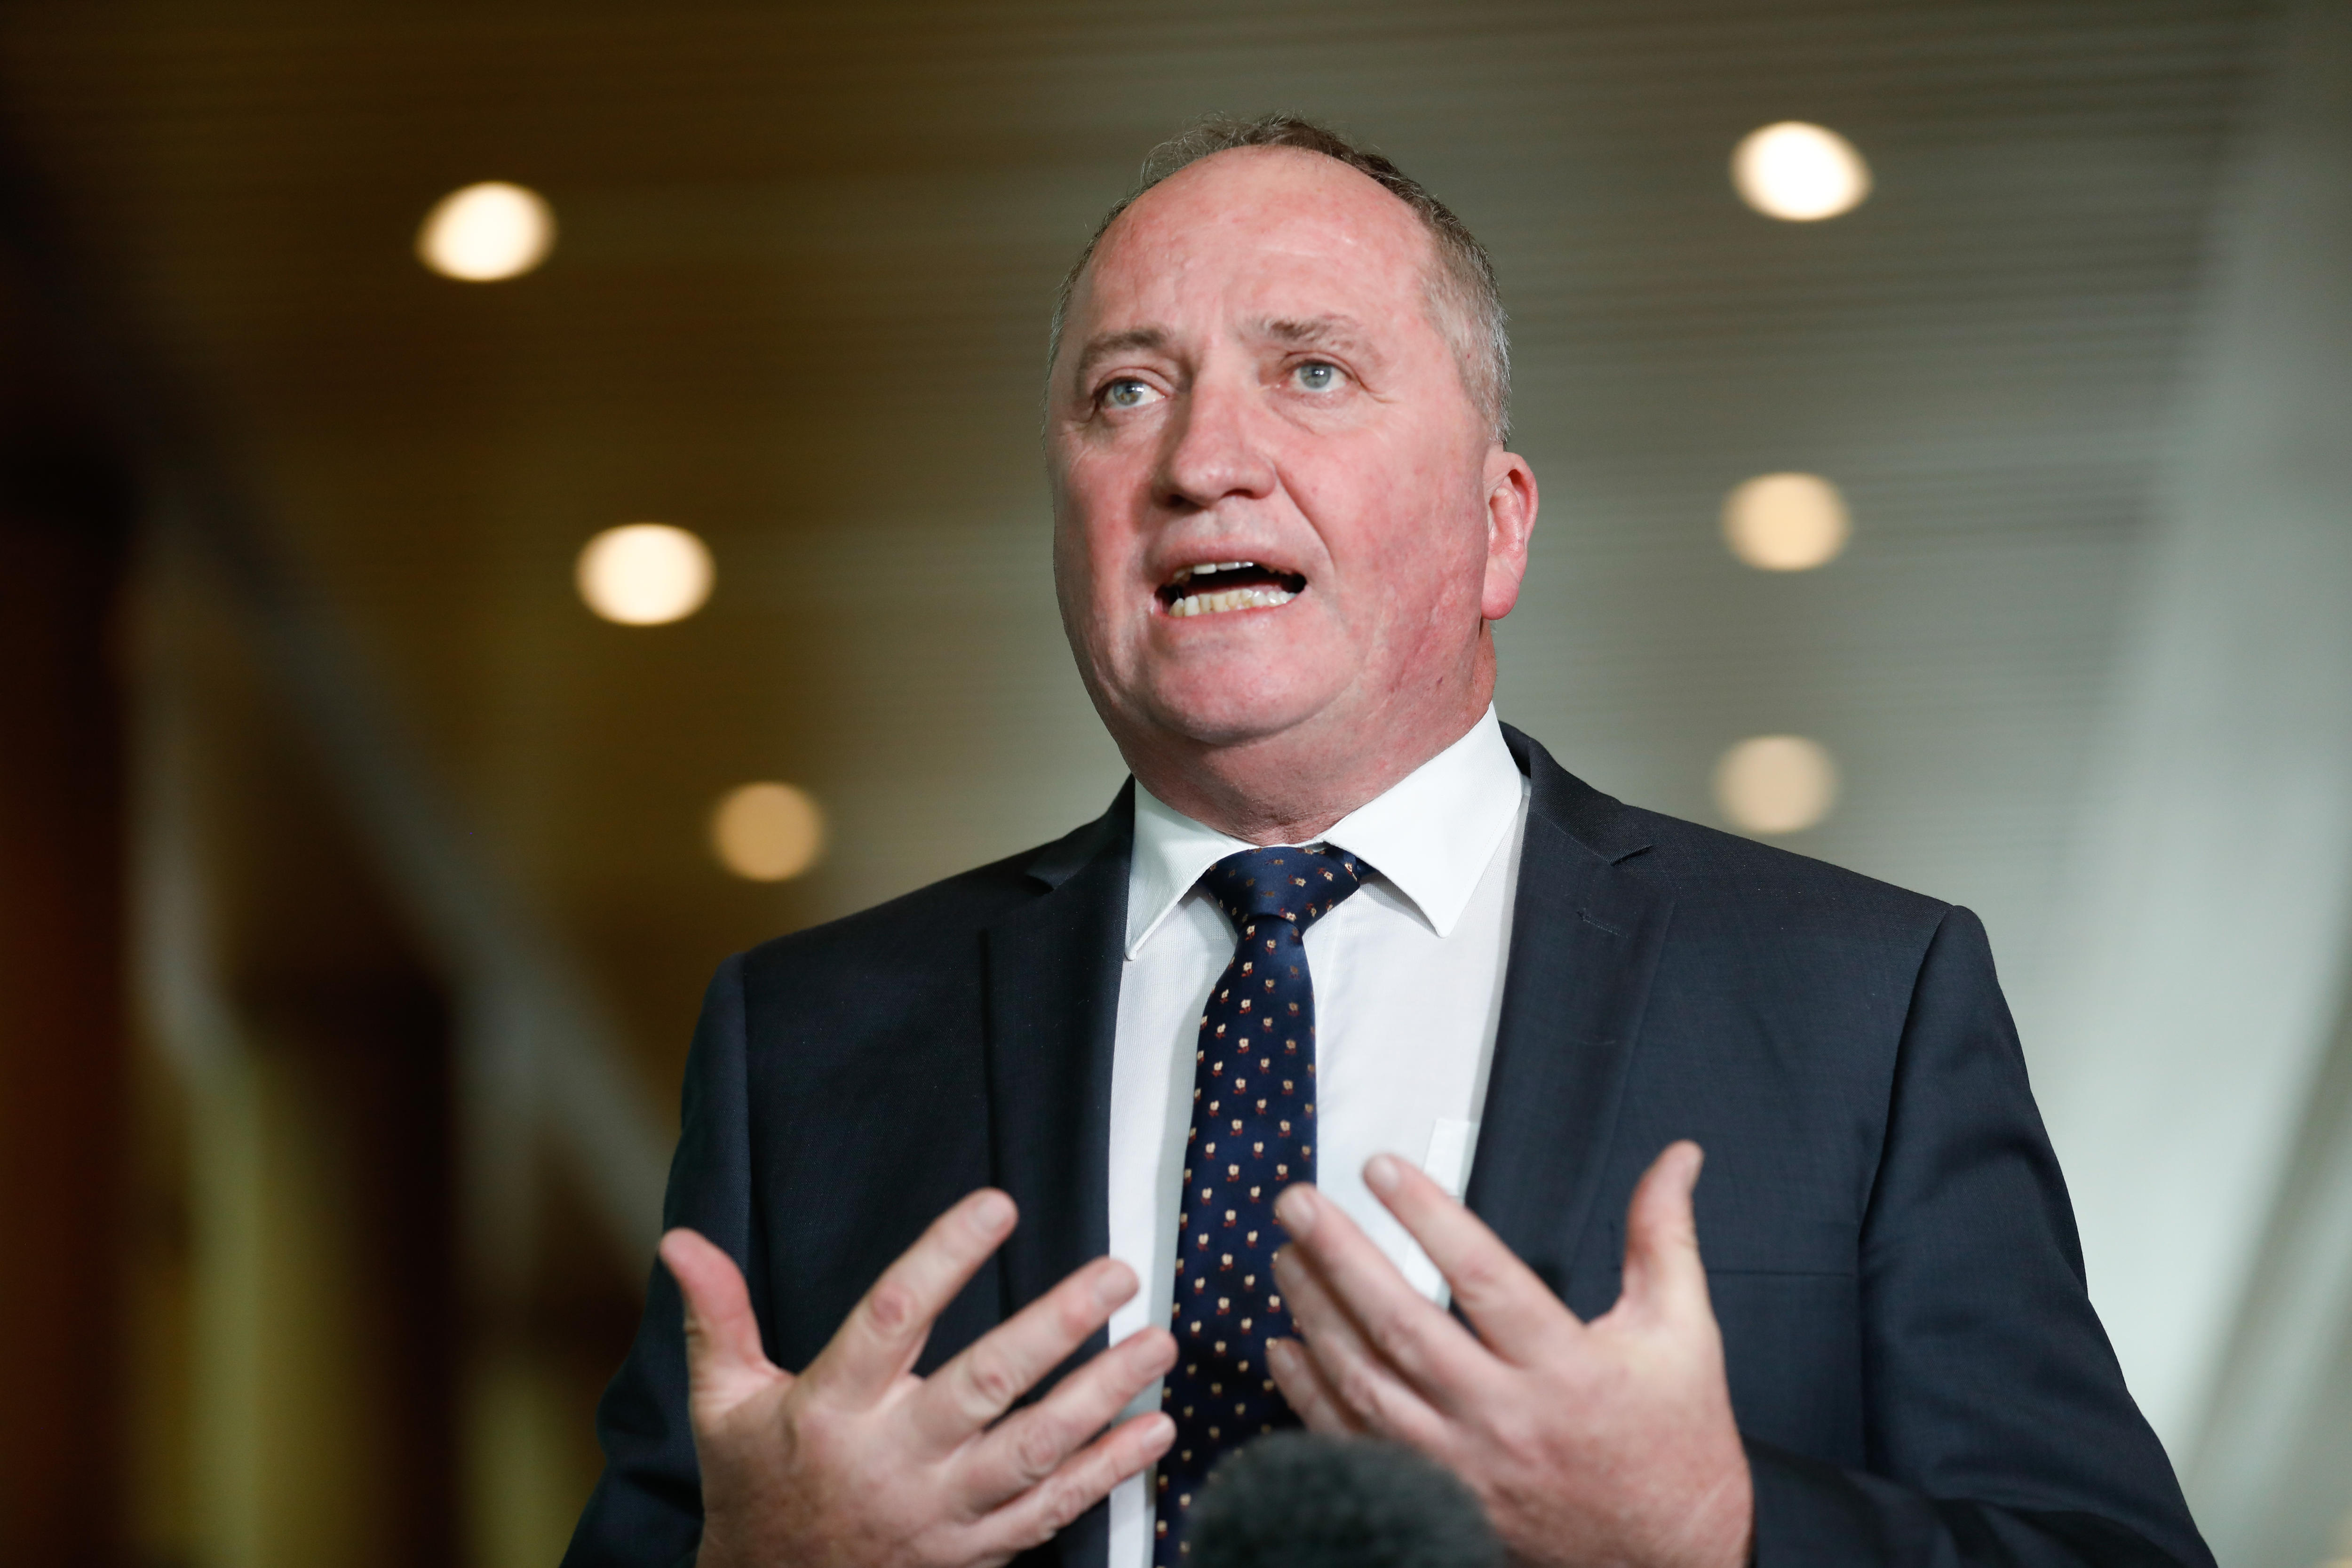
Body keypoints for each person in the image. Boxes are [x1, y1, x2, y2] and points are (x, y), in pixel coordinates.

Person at [562, 116, 2211, 1568]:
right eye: (1125, 391)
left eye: (1314, 372)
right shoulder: (810, 1043)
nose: (1202, 462)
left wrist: (1720, 1538)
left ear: (1497, 526)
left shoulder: (1863, 1003)